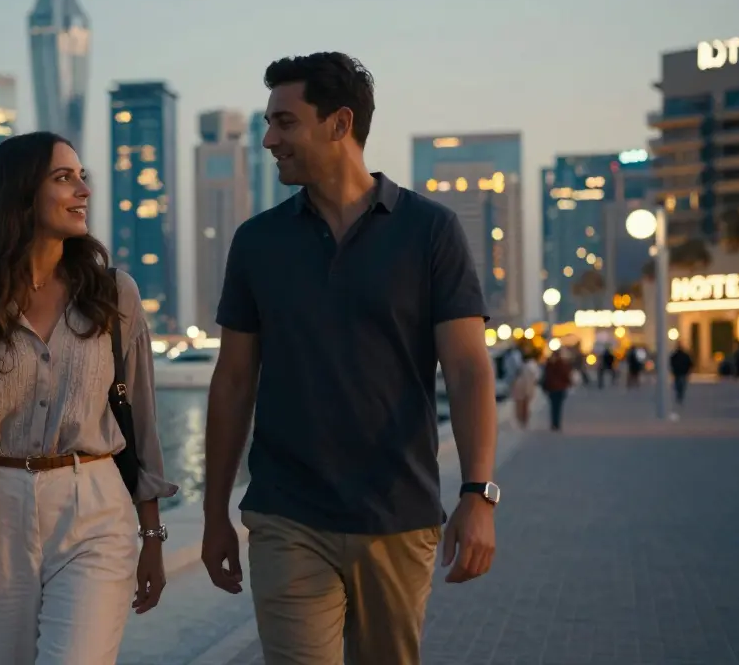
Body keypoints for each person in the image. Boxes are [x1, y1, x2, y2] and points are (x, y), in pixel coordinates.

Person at [201, 52, 500, 665]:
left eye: (285, 122)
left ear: (339, 124)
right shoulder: (256, 242)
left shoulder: (430, 231)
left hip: (398, 513)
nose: (269, 139)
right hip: (287, 514)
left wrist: (479, 494)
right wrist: (213, 514)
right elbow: (232, 382)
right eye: (268, 122)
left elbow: (468, 369)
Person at [0, 132, 179, 664]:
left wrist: (153, 535)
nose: (83, 190)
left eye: (81, 176)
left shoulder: (116, 295)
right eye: (63, 178)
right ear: (21, 194)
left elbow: (140, 424)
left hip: (93, 506)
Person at [541, 349, 573, 431]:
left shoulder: (550, 364)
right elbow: (566, 375)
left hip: (552, 388)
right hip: (560, 388)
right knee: (558, 407)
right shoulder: (561, 363)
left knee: (553, 406)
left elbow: (546, 376)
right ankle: (556, 423)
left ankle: (554, 423)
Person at [511, 351, 540, 428]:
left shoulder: (525, 367)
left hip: (522, 388)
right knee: (524, 405)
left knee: (521, 405)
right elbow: (536, 378)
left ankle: (522, 420)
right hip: (526, 388)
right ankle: (523, 420)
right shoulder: (531, 366)